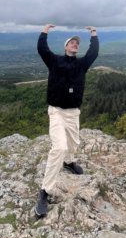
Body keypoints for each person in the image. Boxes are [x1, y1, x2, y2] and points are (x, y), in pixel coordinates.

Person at [34, 24, 99, 217]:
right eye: (72, 42)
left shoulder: (81, 65)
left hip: (73, 113)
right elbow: (42, 49)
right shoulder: (54, 61)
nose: (75, 44)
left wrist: (93, 33)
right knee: (59, 147)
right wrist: (45, 30)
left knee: (73, 143)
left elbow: (93, 52)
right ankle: (45, 191)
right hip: (56, 112)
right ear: (65, 47)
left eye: (77, 43)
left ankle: (69, 162)